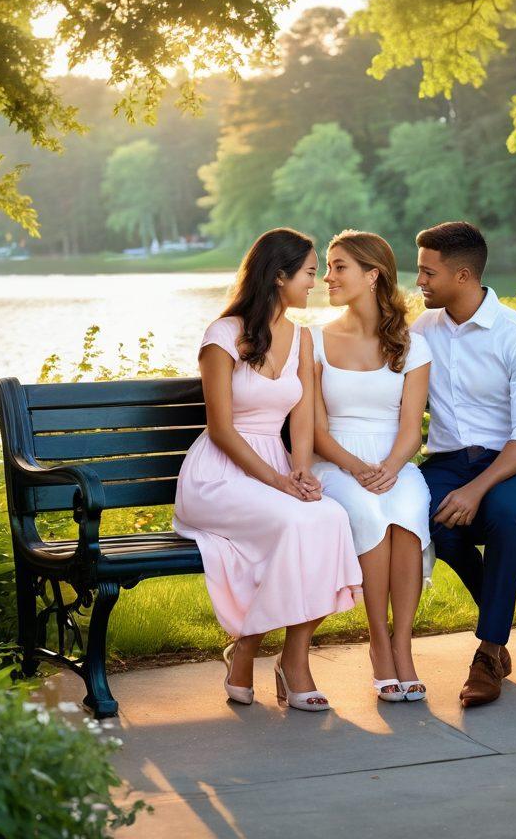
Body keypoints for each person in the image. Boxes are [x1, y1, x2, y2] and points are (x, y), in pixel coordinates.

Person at [173, 228, 363, 712]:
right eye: (309, 272)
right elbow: (220, 429)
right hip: (218, 475)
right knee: (297, 521)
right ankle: (248, 649)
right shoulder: (223, 335)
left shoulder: (300, 337)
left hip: (274, 471)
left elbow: (301, 416)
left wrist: (300, 471)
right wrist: (278, 481)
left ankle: (292, 659)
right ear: (279, 276)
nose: (315, 283)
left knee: (331, 517)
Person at [411, 221, 516, 708]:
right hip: (447, 463)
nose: (419, 282)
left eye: (428, 273)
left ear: (463, 275)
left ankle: (488, 652)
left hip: (511, 467)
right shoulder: (420, 331)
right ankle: (497, 620)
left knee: (501, 517)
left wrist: (477, 490)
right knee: (429, 519)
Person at [310, 231, 434, 703]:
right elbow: (317, 431)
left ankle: (403, 645)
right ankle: (378, 644)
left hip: (394, 462)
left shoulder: (410, 343)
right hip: (337, 462)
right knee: (367, 514)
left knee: (406, 511)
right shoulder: (316, 342)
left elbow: (412, 430)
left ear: (372, 274)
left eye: (339, 267)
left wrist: (390, 466)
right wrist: (357, 468)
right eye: (327, 266)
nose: (327, 276)